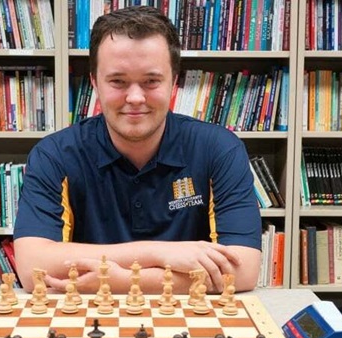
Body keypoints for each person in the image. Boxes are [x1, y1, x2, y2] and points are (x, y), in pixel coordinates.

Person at [14, 6, 262, 295]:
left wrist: (117, 280)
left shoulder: (219, 149)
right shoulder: (54, 154)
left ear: (174, 82)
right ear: (94, 82)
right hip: (86, 314)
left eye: (151, 81)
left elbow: (243, 269)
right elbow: (32, 268)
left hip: (192, 316)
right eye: (118, 81)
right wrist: (159, 253)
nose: (135, 97)